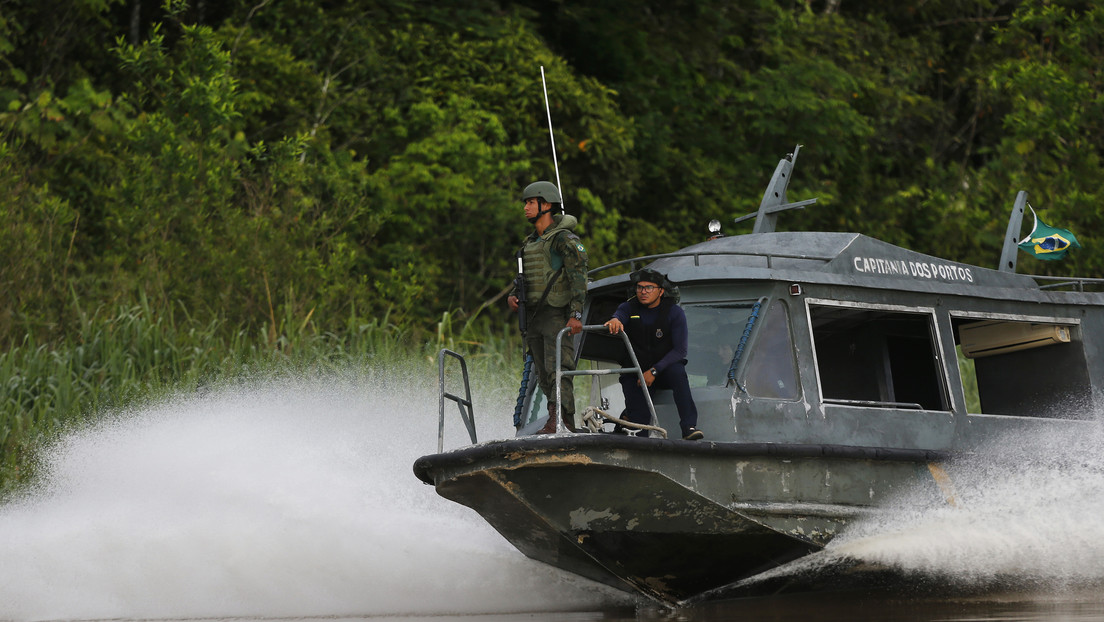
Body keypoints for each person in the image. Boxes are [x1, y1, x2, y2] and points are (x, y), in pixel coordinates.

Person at [507, 181, 588, 434]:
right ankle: (555, 420)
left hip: (556, 314)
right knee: (542, 374)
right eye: (526, 203)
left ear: (547, 205)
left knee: (558, 370)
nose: (526, 207)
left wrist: (575, 315)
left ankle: (563, 422)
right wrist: (512, 296)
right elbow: (523, 279)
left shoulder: (563, 239)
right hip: (534, 316)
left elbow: (578, 277)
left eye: (531, 202)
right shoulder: (530, 242)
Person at [604, 268, 704, 440]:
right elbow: (620, 315)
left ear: (660, 291)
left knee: (678, 373)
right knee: (640, 422)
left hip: (663, 370)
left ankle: (689, 427)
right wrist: (615, 320)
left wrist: (654, 371)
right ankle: (630, 424)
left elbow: (680, 350)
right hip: (635, 373)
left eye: (649, 287)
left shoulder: (674, 312)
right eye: (640, 287)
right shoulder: (629, 307)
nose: (643, 292)